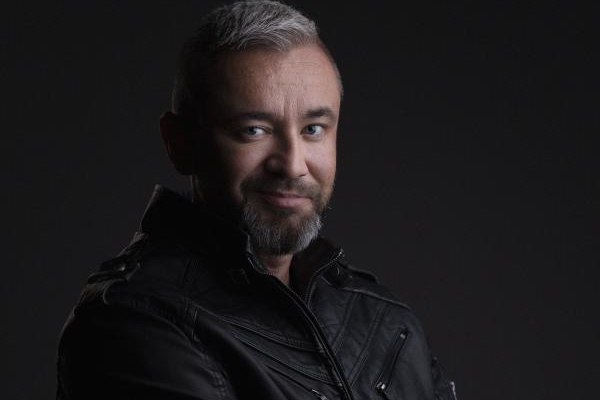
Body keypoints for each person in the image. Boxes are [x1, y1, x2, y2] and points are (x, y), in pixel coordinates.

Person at [56, 1, 457, 399]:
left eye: (313, 129)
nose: (293, 165)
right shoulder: (134, 320)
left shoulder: (382, 317)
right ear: (180, 143)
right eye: (253, 130)